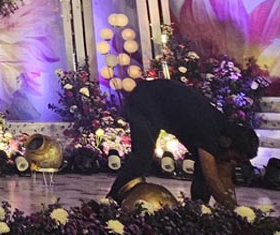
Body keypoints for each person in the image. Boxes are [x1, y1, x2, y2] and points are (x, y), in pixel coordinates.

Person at [107, 77, 259, 209]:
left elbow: (225, 175)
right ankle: (110, 202)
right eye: (235, 158)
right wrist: (232, 209)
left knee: (202, 171)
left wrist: (235, 207)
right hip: (146, 100)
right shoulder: (210, 131)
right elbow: (212, 178)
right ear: (227, 142)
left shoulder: (225, 134)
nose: (232, 163)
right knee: (142, 157)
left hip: (162, 106)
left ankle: (198, 210)